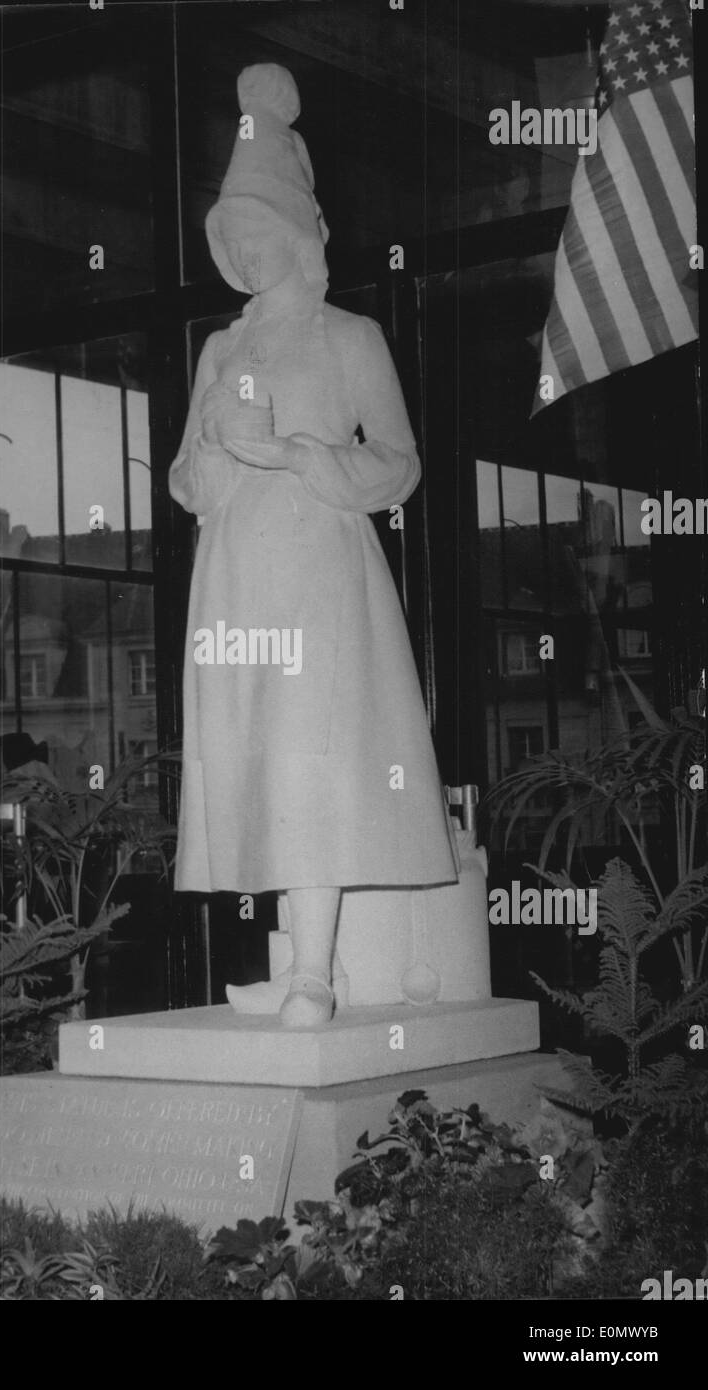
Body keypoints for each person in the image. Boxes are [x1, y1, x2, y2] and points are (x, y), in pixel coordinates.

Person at [169, 64, 458, 1029]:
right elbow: (187, 486)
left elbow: (402, 465)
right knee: (256, 760)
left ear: (298, 239)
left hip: (320, 576)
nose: (248, 255)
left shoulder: (350, 337)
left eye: (260, 236)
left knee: (315, 762)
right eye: (233, 240)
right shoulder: (219, 351)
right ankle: (289, 952)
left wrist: (299, 453)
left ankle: (317, 976)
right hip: (237, 576)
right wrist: (214, 443)